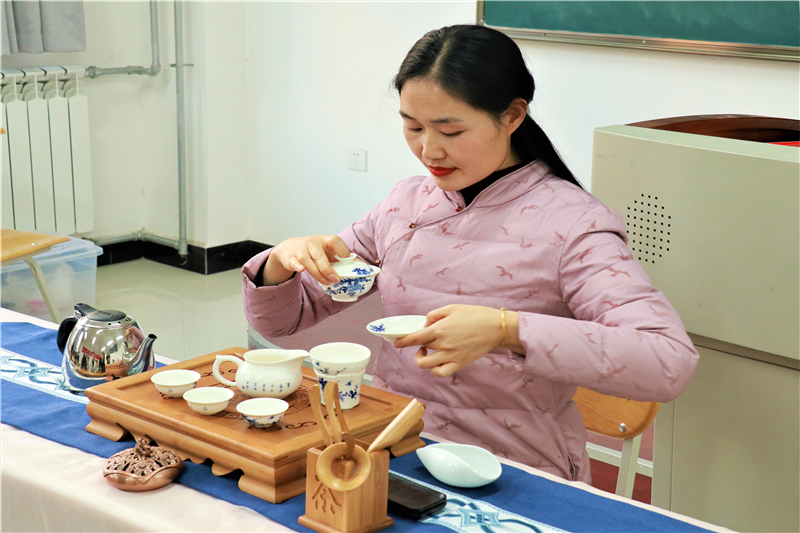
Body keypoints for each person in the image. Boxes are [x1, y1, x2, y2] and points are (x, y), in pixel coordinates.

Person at [242, 24, 698, 482]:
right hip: (394, 448)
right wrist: (279, 264)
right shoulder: (403, 204)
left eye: (451, 130)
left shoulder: (575, 224)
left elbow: (667, 362)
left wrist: (507, 330)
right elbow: (282, 322)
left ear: (512, 116)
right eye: (413, 126)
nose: (428, 150)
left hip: (509, 470)